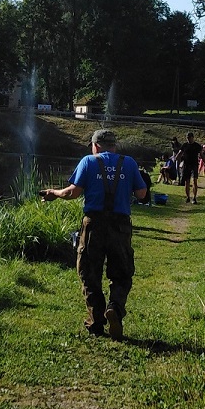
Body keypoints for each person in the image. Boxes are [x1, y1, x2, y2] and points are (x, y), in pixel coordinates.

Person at [40, 127, 147, 340]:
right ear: (114, 146)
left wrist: (54, 193)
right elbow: (142, 193)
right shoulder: (129, 162)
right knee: (122, 272)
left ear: (95, 145)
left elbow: (73, 192)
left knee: (89, 273)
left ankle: (96, 321)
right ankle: (115, 307)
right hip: (120, 226)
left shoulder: (89, 161)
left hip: (94, 225)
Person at [180, 132, 202, 201]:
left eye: (189, 137)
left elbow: (201, 154)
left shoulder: (197, 146)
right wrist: (177, 160)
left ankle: (194, 197)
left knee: (194, 181)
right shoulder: (184, 145)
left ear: (192, 137)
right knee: (187, 182)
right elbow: (179, 153)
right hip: (186, 165)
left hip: (194, 165)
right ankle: (188, 197)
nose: (188, 139)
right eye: (187, 138)